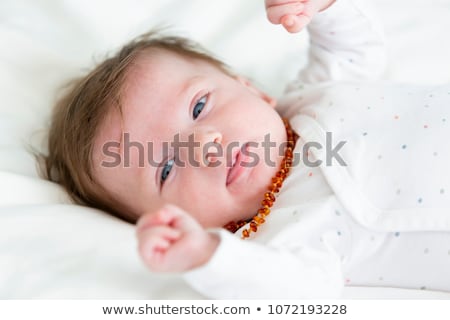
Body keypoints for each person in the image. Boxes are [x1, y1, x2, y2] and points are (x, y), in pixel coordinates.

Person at [44, 0, 450, 299]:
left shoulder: (314, 94)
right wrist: (208, 257)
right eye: (166, 168)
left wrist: (321, 8)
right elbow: (295, 291)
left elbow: (354, 51)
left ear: (250, 88)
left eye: (199, 107)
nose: (204, 148)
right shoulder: (283, 238)